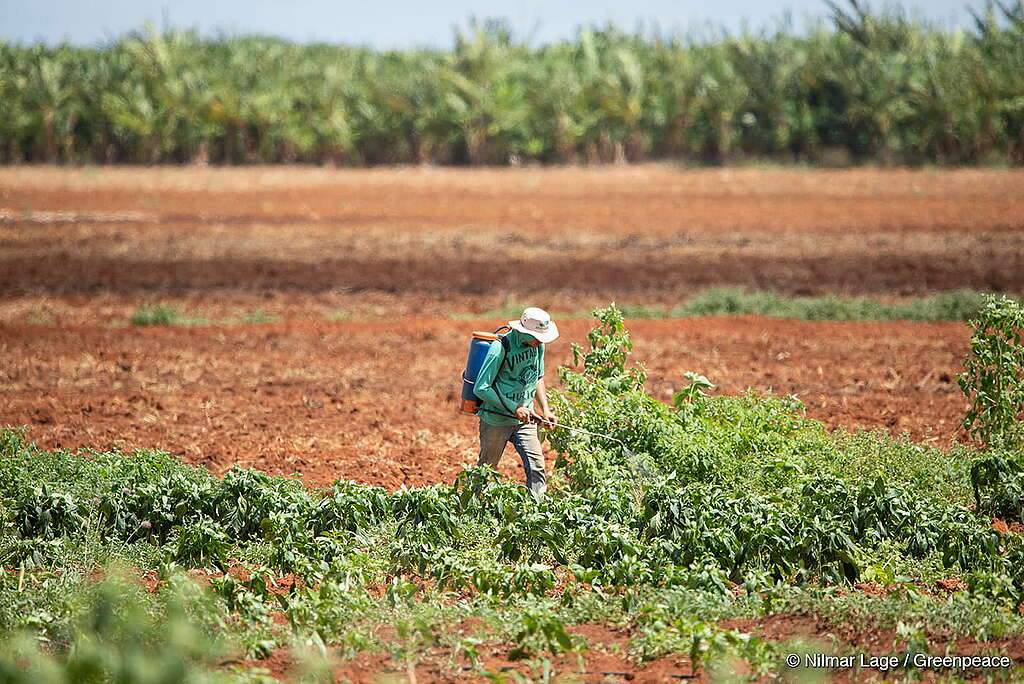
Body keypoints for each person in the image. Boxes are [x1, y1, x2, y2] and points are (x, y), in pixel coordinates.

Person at [473, 307, 559, 499]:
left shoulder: (538, 346)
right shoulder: (500, 347)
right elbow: (481, 388)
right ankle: (470, 509)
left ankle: (536, 514)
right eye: (537, 336)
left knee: (537, 466)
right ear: (523, 331)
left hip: (525, 419)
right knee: (487, 469)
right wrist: (514, 408)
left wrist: (545, 409)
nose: (540, 341)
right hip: (496, 419)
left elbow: (537, 377)